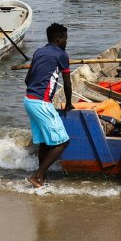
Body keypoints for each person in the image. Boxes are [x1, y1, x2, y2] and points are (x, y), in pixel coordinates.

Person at [23, 23, 75, 188]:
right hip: (41, 102)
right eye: (65, 39)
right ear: (58, 40)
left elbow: (27, 79)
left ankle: (42, 178)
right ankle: (37, 176)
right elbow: (67, 84)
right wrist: (69, 103)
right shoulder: (62, 55)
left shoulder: (39, 52)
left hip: (28, 100)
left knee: (45, 142)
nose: (67, 42)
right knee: (62, 142)